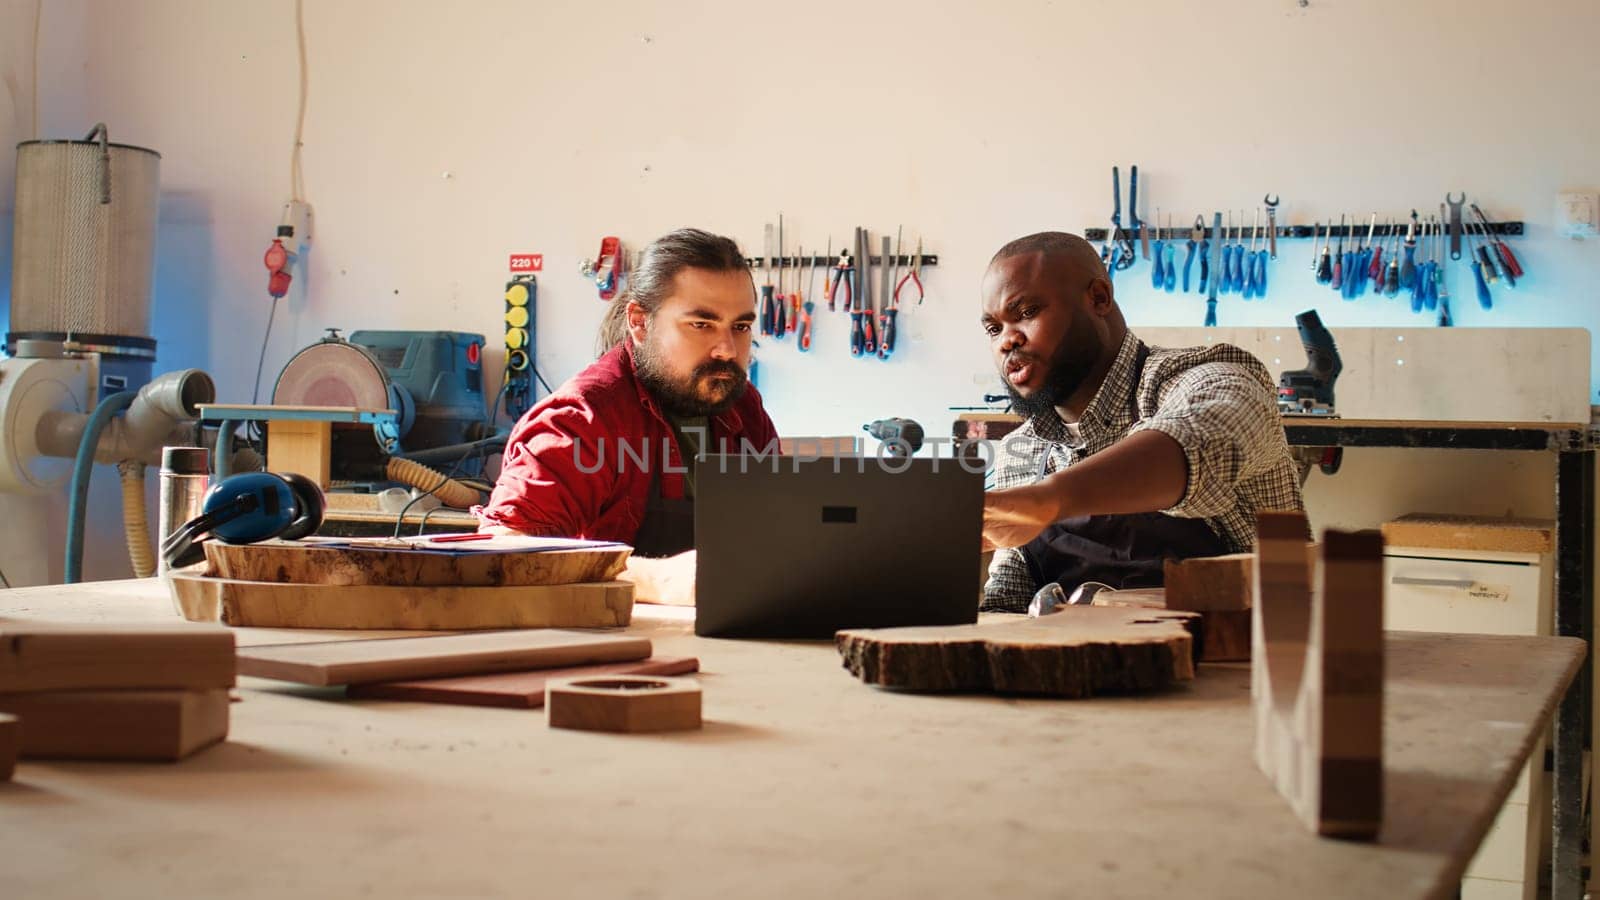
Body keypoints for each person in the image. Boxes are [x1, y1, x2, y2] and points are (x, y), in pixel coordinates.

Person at [978, 231, 1304, 612]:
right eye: (993, 328)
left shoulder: (1209, 378)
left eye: (1027, 313)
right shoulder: (1022, 450)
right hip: (1083, 664)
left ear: (1099, 298)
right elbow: (1008, 599)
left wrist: (1049, 499)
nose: (1006, 341)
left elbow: (1195, 444)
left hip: (1242, 661)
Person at [476, 228, 778, 604]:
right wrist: (656, 581)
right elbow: (501, 550)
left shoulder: (743, 408)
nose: (727, 350)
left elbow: (774, 533)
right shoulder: (582, 418)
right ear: (639, 322)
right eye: (701, 325)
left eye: (741, 326)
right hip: (608, 647)